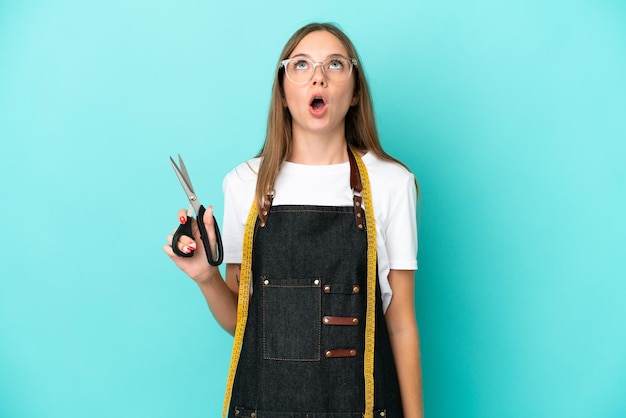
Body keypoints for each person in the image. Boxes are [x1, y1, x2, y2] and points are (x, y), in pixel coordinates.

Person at [164, 22, 423, 418]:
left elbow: (401, 323)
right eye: (301, 65)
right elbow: (243, 325)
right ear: (283, 92)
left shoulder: (391, 182)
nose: (318, 75)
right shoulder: (244, 183)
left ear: (354, 93)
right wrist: (205, 276)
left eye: (335, 64)